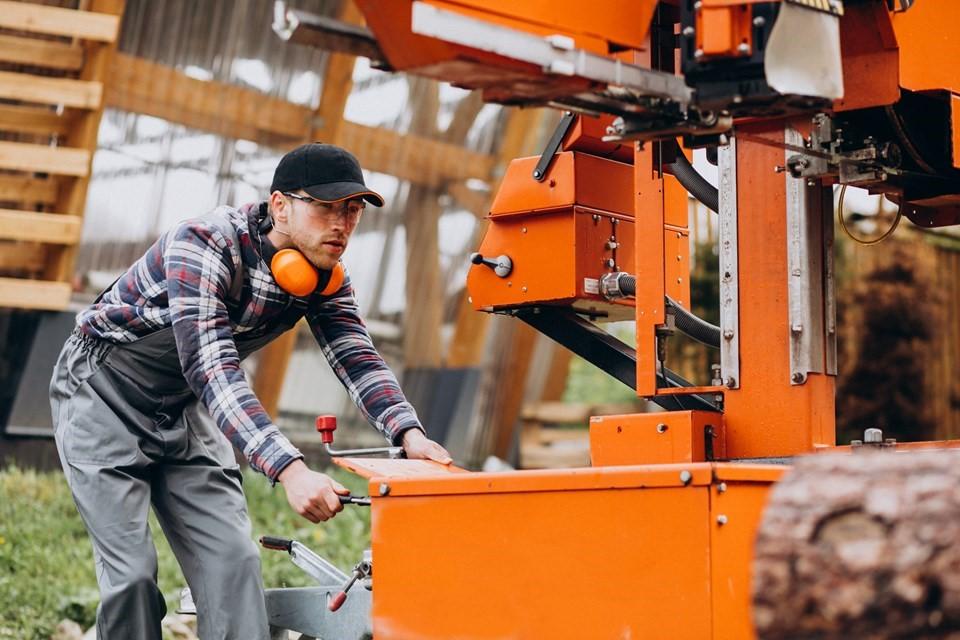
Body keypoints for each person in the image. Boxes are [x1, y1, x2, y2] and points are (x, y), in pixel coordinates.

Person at [48, 142, 451, 639]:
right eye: (325, 207)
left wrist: (409, 433)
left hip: (184, 405)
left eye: (351, 211)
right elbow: (212, 367)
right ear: (279, 205)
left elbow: (357, 357)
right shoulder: (204, 244)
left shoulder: (324, 278)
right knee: (131, 577)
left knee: (234, 566)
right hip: (103, 393)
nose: (341, 224)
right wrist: (291, 469)